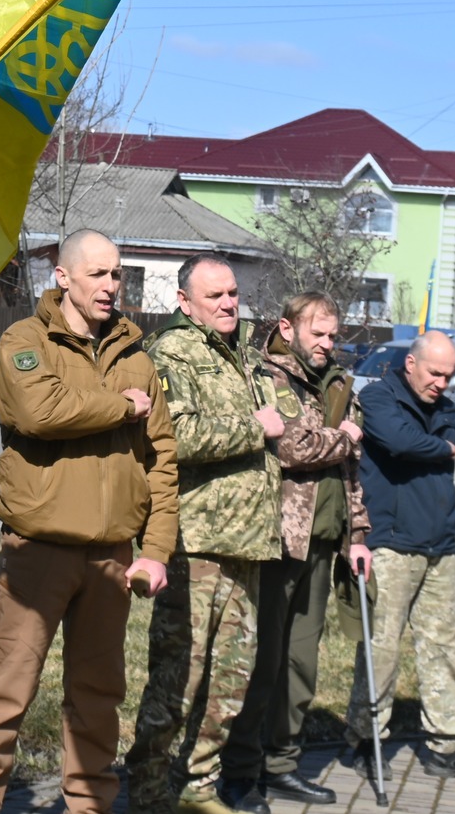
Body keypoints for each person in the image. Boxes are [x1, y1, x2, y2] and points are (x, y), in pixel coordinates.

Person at [0, 229, 178, 814]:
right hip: (37, 551)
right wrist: (122, 406)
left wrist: (156, 550)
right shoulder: (26, 341)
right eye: (97, 274)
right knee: (6, 689)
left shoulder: (137, 356)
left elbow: (162, 461)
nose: (110, 286)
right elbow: (38, 411)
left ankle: (91, 804)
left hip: (111, 558)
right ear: (63, 277)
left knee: (99, 697)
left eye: (117, 274)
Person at [124, 255, 284, 814]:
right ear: (185, 301)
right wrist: (252, 428)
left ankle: (198, 784)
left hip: (248, 542)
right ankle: (145, 790)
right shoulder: (171, 353)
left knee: (229, 681)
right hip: (196, 543)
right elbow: (176, 436)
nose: (228, 303)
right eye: (214, 295)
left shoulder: (245, 352)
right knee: (178, 680)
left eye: (233, 293)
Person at [223, 293, 369, 810]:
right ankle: (240, 770)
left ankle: (282, 763)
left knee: (301, 663)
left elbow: (350, 471)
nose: (328, 344)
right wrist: (344, 437)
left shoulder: (339, 384)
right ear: (289, 328)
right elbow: (289, 447)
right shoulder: (271, 375)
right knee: (263, 661)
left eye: (333, 335)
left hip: (326, 540)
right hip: (281, 539)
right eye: (318, 334)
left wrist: (359, 535)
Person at [345, 331, 455, 783]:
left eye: (449, 376)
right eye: (434, 373)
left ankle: (446, 743)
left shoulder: (447, 408)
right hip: (391, 543)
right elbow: (400, 443)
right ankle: (364, 739)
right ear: (410, 364)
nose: (442, 383)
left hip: (440, 543)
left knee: (444, 649)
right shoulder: (377, 399)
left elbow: (429, 447)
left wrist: (434, 446)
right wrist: (441, 447)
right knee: (381, 650)